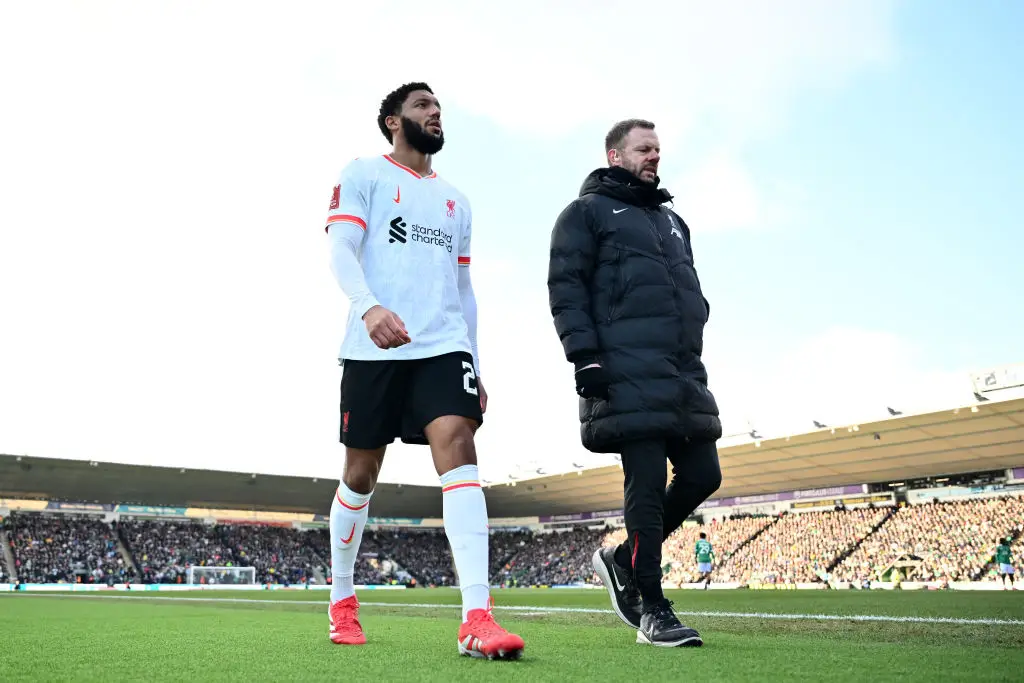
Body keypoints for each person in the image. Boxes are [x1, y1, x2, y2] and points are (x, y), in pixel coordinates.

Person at [322, 82, 524, 660]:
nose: (435, 114)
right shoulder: (364, 173)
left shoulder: (457, 201)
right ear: (393, 120)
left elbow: (464, 288)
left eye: (438, 108)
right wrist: (369, 308)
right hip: (375, 347)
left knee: (459, 448)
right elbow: (340, 249)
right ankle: (342, 598)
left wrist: (475, 362)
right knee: (360, 474)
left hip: (443, 347)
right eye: (422, 106)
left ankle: (477, 618)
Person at [547, 118, 722, 647]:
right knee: (645, 483)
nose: (654, 156)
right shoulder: (585, 213)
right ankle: (653, 608)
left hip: (680, 370)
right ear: (615, 155)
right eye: (643, 148)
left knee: (704, 475)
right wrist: (584, 358)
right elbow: (566, 286)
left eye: (657, 149)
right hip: (623, 368)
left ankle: (621, 558)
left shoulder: (672, 221)